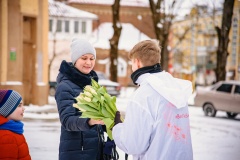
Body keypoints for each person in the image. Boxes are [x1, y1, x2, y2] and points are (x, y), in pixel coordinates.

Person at [113, 40, 193, 160]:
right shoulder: (175, 89)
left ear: (137, 62)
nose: (132, 67)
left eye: (132, 63)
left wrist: (118, 128)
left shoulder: (142, 96)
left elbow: (134, 145)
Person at [55, 38, 105, 160]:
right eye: (84, 58)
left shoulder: (93, 84)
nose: (88, 62)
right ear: (75, 60)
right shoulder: (65, 87)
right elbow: (67, 121)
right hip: (76, 153)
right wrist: (89, 121)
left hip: (95, 151)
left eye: (92, 58)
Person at [0, 89, 31, 160]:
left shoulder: (13, 130)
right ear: (6, 109)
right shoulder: (7, 137)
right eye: (19, 105)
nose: (23, 108)